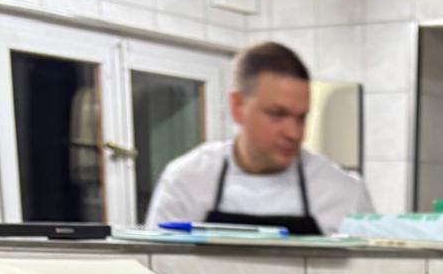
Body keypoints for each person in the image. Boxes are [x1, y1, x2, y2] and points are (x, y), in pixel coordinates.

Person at [145, 40, 371, 234]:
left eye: (301, 117)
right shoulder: (187, 181)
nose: (294, 133)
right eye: (276, 114)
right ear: (237, 106)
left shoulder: (343, 192)